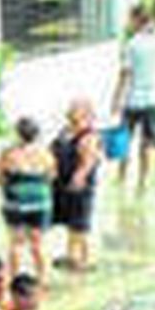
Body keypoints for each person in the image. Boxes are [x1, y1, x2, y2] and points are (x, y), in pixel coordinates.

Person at [0, 118, 54, 287]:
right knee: (38, 243)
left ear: (18, 134)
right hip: (40, 203)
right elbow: (51, 176)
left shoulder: (9, 153)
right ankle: (42, 279)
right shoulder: (45, 153)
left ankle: (14, 278)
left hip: (15, 202)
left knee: (16, 243)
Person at [111, 6, 155, 193]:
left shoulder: (131, 45)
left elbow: (124, 74)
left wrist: (115, 100)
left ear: (136, 20)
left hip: (133, 100)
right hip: (153, 99)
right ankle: (143, 181)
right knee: (146, 143)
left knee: (125, 140)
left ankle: (121, 177)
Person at [50, 100, 101, 273]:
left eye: (76, 116)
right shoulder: (66, 132)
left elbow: (89, 161)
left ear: (87, 117)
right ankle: (74, 256)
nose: (72, 119)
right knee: (71, 224)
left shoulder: (89, 137)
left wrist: (79, 177)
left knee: (79, 225)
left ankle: (81, 259)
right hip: (61, 184)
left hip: (80, 186)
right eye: (70, 115)